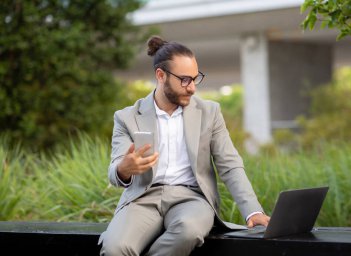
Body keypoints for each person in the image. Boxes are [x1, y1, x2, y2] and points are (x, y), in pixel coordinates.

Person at [99, 36, 270, 256]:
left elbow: (230, 165)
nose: (192, 88)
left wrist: (252, 211)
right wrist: (124, 169)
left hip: (192, 198)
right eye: (184, 80)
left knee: (188, 231)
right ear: (161, 76)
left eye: (195, 78)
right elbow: (115, 171)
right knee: (115, 248)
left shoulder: (210, 113)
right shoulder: (126, 117)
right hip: (143, 199)